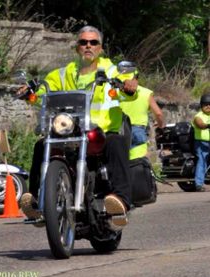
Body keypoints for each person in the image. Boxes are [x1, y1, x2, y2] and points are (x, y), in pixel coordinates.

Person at [18, 26, 138, 227]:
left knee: (116, 142)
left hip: (101, 133)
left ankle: (120, 201)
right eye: (83, 42)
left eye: (93, 42)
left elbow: (129, 85)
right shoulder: (62, 74)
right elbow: (42, 92)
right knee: (41, 145)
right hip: (70, 132)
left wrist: (129, 85)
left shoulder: (111, 70)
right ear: (77, 48)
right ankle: (38, 202)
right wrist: (29, 92)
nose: (88, 46)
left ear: (100, 48)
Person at [118, 61, 165, 160]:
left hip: (118, 130)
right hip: (137, 130)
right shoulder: (146, 93)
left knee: (120, 162)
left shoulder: (113, 92)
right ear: (137, 78)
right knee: (138, 163)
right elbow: (158, 113)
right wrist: (161, 125)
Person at [192, 93, 210, 192]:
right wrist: (207, 126)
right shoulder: (198, 116)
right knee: (202, 161)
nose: (208, 106)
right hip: (202, 143)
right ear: (201, 106)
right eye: (206, 104)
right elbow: (200, 124)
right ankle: (199, 184)